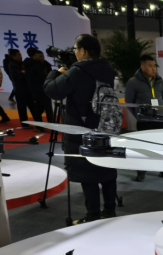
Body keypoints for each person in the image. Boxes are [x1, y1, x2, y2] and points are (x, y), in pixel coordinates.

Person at [44, 34, 118, 224]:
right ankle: (109, 211)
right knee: (107, 170)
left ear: (83, 51)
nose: (75, 52)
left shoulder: (77, 71)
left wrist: (56, 73)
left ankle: (93, 216)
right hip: (105, 128)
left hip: (82, 131)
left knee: (88, 173)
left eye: (76, 49)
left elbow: (52, 90)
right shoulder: (107, 69)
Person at [125, 54, 163, 182]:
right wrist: (139, 114)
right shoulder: (133, 82)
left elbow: (162, 99)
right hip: (144, 120)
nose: (153, 68)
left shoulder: (159, 81)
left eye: (154, 66)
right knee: (143, 147)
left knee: (161, 145)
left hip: (159, 118)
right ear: (142, 67)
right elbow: (129, 103)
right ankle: (141, 171)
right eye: (150, 66)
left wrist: (159, 111)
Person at [7, 49, 42, 128]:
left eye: (20, 54)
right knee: (22, 108)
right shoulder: (12, 65)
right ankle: (25, 124)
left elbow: (25, 73)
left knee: (32, 106)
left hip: (27, 88)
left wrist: (25, 72)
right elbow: (20, 75)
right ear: (13, 56)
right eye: (18, 55)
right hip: (20, 89)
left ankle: (38, 122)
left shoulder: (21, 63)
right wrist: (24, 72)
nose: (20, 56)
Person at [24, 49, 54, 121]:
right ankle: (45, 123)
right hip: (37, 89)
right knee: (44, 107)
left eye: (43, 56)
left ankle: (45, 123)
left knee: (42, 107)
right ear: (35, 56)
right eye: (40, 56)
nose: (42, 58)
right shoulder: (31, 65)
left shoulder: (45, 64)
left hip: (45, 88)